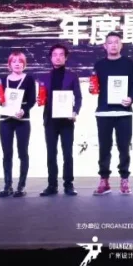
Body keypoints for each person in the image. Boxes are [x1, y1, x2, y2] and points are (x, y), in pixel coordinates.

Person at [91, 32, 133, 195]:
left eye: (116, 42)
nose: (113, 45)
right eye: (110, 42)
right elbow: (95, 86)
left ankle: (124, 179)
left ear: (121, 45)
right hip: (104, 112)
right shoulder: (99, 65)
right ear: (105, 46)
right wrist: (92, 89)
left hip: (123, 112)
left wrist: (130, 98)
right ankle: (104, 180)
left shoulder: (129, 63)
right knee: (104, 148)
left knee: (124, 148)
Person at [40, 44, 83, 197]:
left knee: (67, 153)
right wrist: (40, 100)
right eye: (55, 55)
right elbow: (42, 97)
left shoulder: (72, 76)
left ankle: (68, 184)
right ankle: (52, 185)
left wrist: (75, 111)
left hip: (66, 120)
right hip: (50, 120)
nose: (58, 57)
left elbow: (78, 97)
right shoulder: (44, 77)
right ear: (50, 58)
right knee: (51, 154)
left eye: (61, 54)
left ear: (66, 57)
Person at [0, 51, 36, 197]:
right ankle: (7, 185)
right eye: (14, 61)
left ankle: (21, 186)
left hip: (22, 120)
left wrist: (24, 110)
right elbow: (0, 99)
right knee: (7, 153)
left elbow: (32, 100)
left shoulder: (29, 79)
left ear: (24, 64)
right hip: (5, 120)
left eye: (20, 61)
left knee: (22, 152)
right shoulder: (3, 80)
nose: (17, 64)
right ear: (9, 64)